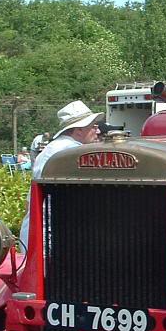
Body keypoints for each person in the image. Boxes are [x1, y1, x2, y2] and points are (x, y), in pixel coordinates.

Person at [20, 101, 103, 250]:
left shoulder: (52, 149)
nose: (98, 132)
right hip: (53, 237)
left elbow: (29, 201)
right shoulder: (73, 153)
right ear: (78, 130)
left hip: (39, 232)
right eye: (94, 127)